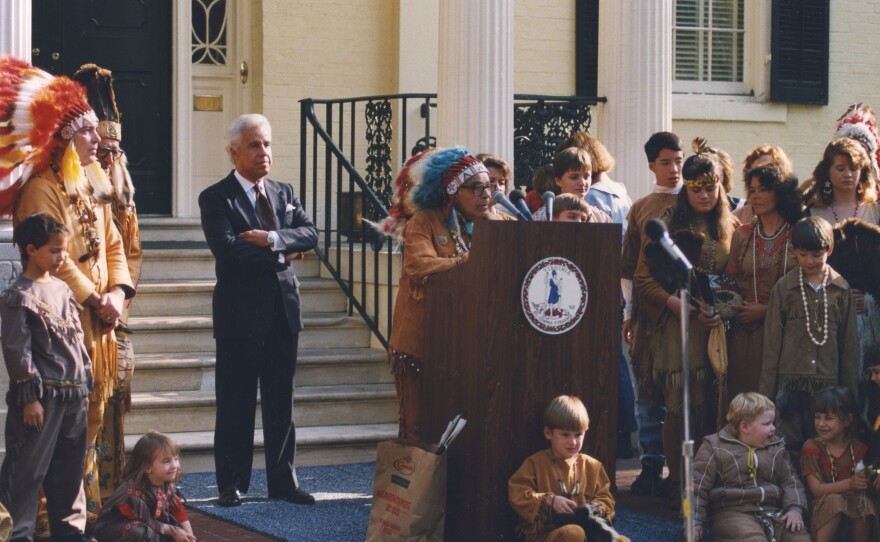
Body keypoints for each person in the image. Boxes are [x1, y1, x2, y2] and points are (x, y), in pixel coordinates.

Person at [1, 56, 136, 526]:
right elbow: (51, 261)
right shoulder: (42, 188)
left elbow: (114, 243)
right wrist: (93, 297)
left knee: (89, 421)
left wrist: (117, 292)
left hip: (98, 326)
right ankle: (38, 517)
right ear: (63, 139)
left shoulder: (92, 182)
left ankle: (72, 516)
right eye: (87, 134)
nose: (97, 140)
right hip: (61, 324)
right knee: (50, 433)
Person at [199, 113, 318, 507]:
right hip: (239, 316)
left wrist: (271, 239)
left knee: (281, 401)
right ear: (234, 152)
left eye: (267, 143)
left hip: (283, 313)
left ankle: (283, 483)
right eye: (254, 145)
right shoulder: (217, 197)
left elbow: (312, 234)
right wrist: (284, 254)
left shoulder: (284, 192)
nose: (263, 152)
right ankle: (231, 484)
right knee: (235, 402)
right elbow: (228, 252)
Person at [634, 142, 738, 505]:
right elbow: (643, 279)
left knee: (712, 406)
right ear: (686, 189)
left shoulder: (731, 226)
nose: (706, 195)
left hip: (714, 330)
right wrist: (671, 302)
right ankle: (679, 481)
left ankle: (706, 480)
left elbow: (735, 281)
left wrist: (722, 309)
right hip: (675, 329)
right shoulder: (664, 226)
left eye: (712, 187)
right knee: (679, 407)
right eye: (697, 188)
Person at [384, 147, 492, 442]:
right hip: (423, 344)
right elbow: (419, 265)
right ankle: (416, 487)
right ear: (453, 192)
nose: (486, 195)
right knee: (419, 426)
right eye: (477, 188)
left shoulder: (496, 223)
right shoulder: (424, 222)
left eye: (489, 187)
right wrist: (473, 261)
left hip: (466, 346)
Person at [72, 62, 143, 499]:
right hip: (84, 315)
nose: (106, 157)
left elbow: (127, 254)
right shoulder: (77, 187)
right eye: (101, 149)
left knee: (110, 407)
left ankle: (108, 492)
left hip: (116, 318)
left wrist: (119, 300)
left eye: (113, 151)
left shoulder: (123, 199)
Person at [0, 214, 92, 542]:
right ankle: (17, 534)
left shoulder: (64, 289)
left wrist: (85, 378)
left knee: (69, 472)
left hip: (72, 397)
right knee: (27, 471)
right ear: (31, 249)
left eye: (64, 250)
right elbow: (16, 350)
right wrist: (30, 398)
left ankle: (70, 532)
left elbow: (77, 338)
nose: (62, 257)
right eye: (54, 251)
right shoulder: (19, 296)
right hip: (42, 401)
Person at [760, 216, 859, 460]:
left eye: (816, 254)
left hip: (828, 385)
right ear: (794, 252)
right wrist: (765, 396)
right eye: (803, 254)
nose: (810, 261)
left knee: (824, 445)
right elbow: (771, 346)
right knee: (788, 445)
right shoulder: (784, 289)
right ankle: (792, 495)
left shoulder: (841, 289)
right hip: (789, 386)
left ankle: (820, 495)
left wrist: (849, 397)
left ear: (829, 250)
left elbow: (849, 347)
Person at [623, 132, 684, 497]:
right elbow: (629, 267)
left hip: (685, 314)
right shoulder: (642, 207)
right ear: (651, 165)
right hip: (648, 314)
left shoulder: (696, 200)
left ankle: (680, 468)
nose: (674, 169)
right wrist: (630, 314)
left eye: (678, 161)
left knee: (679, 391)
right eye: (666, 162)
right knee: (647, 390)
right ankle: (650, 463)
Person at [723, 164, 801, 398]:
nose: (755, 196)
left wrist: (768, 311)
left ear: (780, 192)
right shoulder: (742, 234)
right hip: (744, 330)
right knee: (744, 398)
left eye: (763, 189)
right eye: (752, 189)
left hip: (786, 328)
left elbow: (807, 288)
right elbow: (729, 283)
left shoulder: (798, 233)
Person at [508, 395, 627, 542]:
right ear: (548, 433)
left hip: (588, 531)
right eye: (565, 435)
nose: (573, 442)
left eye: (578, 435)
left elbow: (605, 497)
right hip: (549, 532)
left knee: (623, 541)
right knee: (573, 533)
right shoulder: (535, 463)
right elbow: (517, 491)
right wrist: (550, 501)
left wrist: (599, 507)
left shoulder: (592, 466)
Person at [692, 393, 809, 542]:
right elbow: (696, 486)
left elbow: (791, 481)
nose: (773, 428)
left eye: (773, 422)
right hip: (732, 513)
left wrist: (794, 509)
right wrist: (693, 521)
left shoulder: (777, 446)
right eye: (767, 424)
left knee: (798, 535)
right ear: (745, 427)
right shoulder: (715, 447)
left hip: (772, 512)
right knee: (752, 539)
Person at [801, 387, 876, 542]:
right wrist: (850, 484)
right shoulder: (812, 447)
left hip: (851, 513)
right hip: (822, 510)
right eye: (817, 417)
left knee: (864, 504)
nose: (821, 423)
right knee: (835, 501)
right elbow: (816, 490)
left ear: (848, 420)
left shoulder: (858, 449)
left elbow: (864, 486)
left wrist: (866, 481)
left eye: (828, 418)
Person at [95, 431, 196, 542]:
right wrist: (172, 531)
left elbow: (178, 511)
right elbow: (145, 520)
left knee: (174, 529)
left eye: (176, 459)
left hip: (152, 526)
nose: (174, 466)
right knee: (138, 531)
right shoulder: (130, 492)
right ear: (147, 467)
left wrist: (189, 537)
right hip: (116, 530)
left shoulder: (166, 485)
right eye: (166, 461)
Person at [806, 137, 880, 226]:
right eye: (841, 169)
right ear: (827, 172)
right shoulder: (813, 213)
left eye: (853, 169)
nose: (848, 174)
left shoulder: (876, 211)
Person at [531, 147, 610, 223]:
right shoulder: (542, 217)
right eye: (574, 177)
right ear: (558, 181)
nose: (582, 183)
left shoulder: (601, 218)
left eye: (586, 177)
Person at [733, 145, 794, 224]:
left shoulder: (799, 215)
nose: (761, 176)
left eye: (767, 169)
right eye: (755, 171)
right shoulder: (737, 217)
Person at [477, 153, 516, 220]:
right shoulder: (466, 221)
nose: (497, 188)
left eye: (501, 183)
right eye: (491, 181)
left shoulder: (510, 221)